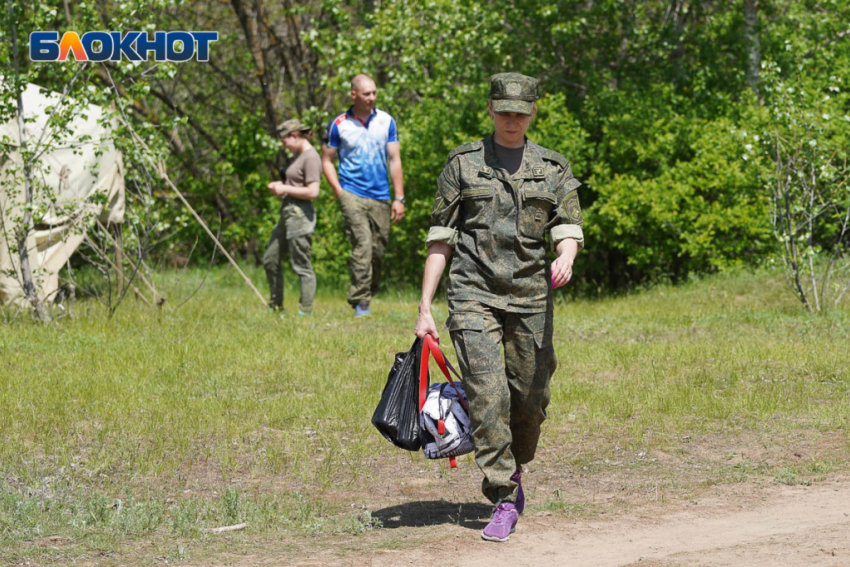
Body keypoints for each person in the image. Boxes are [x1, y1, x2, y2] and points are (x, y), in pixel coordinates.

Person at [414, 73, 584, 542]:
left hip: (531, 297)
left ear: (533, 114)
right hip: (473, 294)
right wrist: (425, 305)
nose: (512, 120)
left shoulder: (553, 167)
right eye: (504, 111)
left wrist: (565, 255)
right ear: (490, 109)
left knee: (529, 399)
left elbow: (568, 225)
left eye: (521, 113)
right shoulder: (463, 164)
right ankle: (503, 495)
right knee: (489, 396)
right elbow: (440, 239)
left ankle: (517, 466)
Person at [321, 74, 405, 317]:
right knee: (363, 245)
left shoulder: (387, 121)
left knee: (378, 250)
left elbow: (395, 159)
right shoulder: (338, 124)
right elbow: (326, 160)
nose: (372, 98)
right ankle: (361, 303)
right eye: (367, 93)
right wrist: (339, 191)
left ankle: (369, 291)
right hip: (351, 193)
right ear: (354, 94)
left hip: (381, 195)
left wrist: (399, 197)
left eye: (374, 93)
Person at [263, 118, 320, 315]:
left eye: (285, 141)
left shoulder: (311, 157)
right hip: (287, 215)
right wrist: (281, 185)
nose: (284, 146)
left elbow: (313, 191)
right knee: (270, 259)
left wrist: (283, 188)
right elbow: (297, 184)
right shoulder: (299, 156)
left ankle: (305, 310)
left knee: (301, 265)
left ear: (294, 136)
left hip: (300, 216)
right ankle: (275, 306)